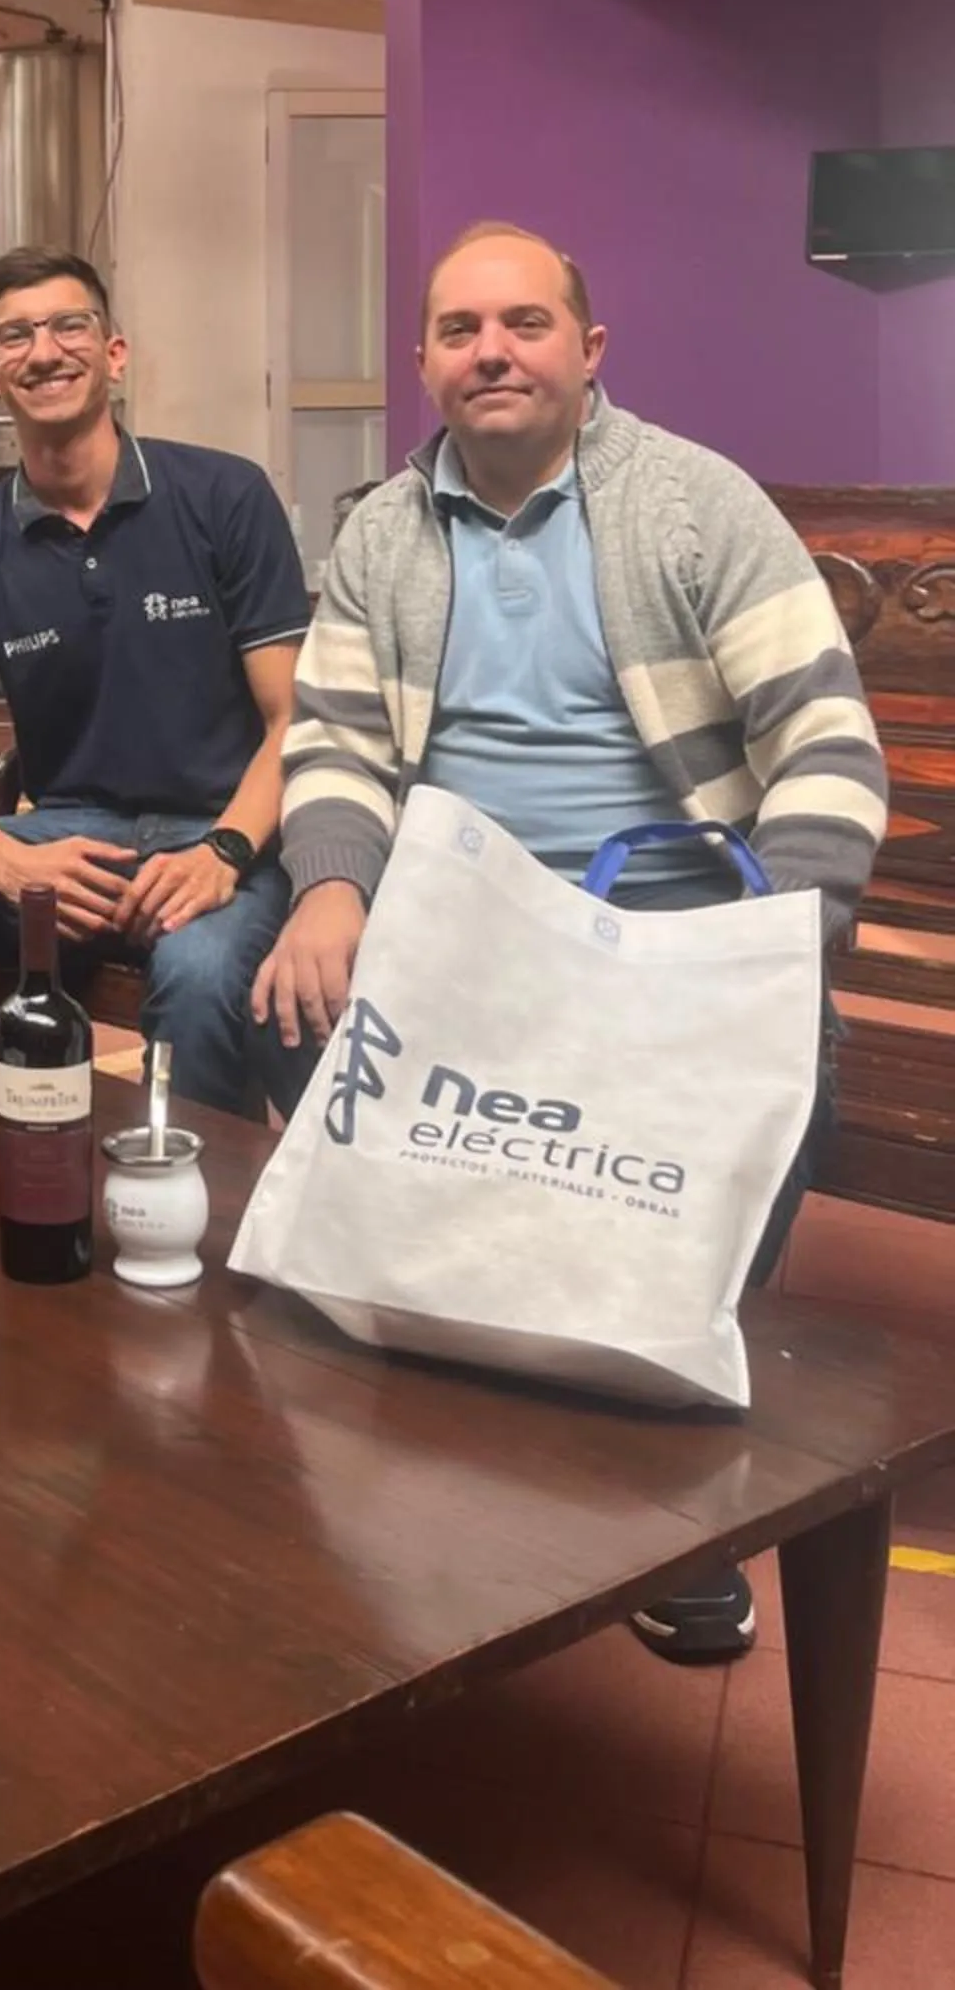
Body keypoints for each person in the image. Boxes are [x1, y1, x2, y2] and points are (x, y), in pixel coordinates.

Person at [256, 220, 887, 1665]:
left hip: (672, 919)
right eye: (459, 328)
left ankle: (677, 1507)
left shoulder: (689, 506)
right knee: (280, 1004)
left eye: (524, 324)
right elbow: (338, 743)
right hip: (459, 929)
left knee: (777, 1095)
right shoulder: (380, 531)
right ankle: (409, 1420)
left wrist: (778, 940)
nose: (490, 351)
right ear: (420, 360)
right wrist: (330, 889)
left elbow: (827, 745)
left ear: (587, 351)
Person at [0, 246, 311, 1110]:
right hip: (66, 841)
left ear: (113, 353)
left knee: (204, 973)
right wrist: (12, 865)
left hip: (220, 830)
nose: (44, 352)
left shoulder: (224, 498)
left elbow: (293, 722)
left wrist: (224, 852)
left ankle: (189, 1212)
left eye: (67, 326)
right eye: (16, 336)